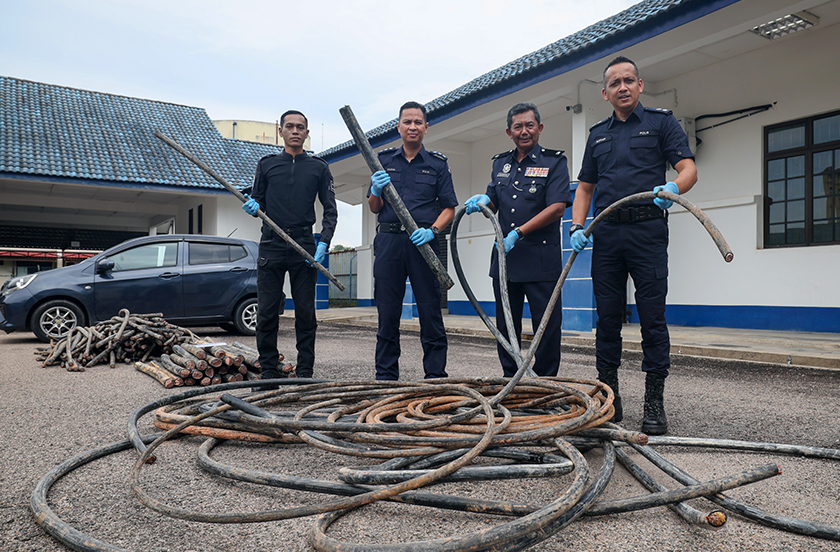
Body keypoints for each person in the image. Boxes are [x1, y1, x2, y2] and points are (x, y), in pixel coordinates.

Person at [570, 56, 697, 435]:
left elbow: (688, 168)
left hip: (647, 232)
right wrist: (577, 226)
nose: (622, 87)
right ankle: (610, 399)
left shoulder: (661, 123)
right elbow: (585, 189)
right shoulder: (597, 135)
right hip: (607, 234)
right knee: (607, 320)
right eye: (615, 83)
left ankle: (654, 402)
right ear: (605, 93)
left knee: (652, 319)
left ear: (640, 85)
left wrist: (673, 187)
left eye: (629, 80)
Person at [464, 103, 571, 377]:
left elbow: (557, 207)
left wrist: (519, 232)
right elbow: (493, 201)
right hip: (506, 261)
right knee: (506, 325)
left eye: (529, 125)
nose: (524, 131)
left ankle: (544, 381)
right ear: (509, 132)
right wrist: (483, 202)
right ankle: (510, 379)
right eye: (518, 127)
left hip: (541, 261)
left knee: (546, 326)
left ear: (540, 128)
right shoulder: (500, 164)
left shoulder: (554, 162)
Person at [242, 110, 337, 381]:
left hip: (304, 244)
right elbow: (258, 200)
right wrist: (253, 206)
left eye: (300, 127)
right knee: (267, 312)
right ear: (280, 131)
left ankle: (305, 371)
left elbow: (330, 210)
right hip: (271, 243)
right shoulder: (267, 164)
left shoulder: (319, 167)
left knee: (305, 313)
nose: (295, 131)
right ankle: (269, 372)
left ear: (307, 133)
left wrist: (324, 242)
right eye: (290, 126)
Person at [367, 101, 458, 381]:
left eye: (418, 122)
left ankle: (435, 375)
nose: (412, 126)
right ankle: (385, 376)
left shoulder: (437, 164)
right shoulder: (383, 161)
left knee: (430, 311)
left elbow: (449, 209)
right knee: (387, 312)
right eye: (407, 122)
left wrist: (432, 231)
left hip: (423, 243)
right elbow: (374, 207)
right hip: (389, 243)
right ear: (398, 126)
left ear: (426, 127)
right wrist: (375, 190)